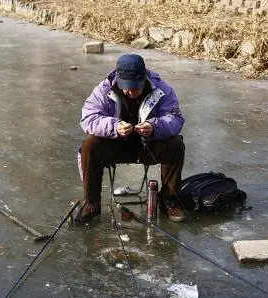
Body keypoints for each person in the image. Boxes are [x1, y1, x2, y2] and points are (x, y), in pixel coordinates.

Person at [76, 54, 186, 224]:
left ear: (144, 78)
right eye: (126, 87)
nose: (131, 92)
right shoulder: (104, 89)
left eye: (136, 87)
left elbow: (175, 118)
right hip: (116, 146)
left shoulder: (162, 88)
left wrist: (154, 127)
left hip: (148, 146)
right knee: (90, 144)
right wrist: (114, 127)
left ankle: (168, 200)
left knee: (176, 144)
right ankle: (91, 203)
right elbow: (88, 118)